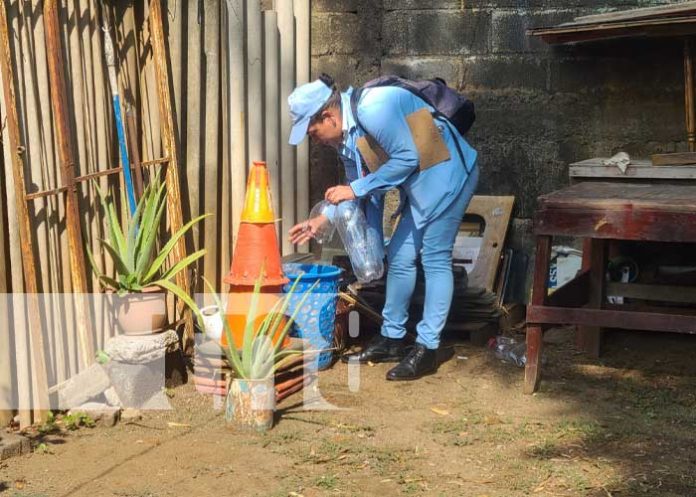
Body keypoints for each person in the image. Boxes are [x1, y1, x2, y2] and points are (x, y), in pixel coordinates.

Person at [287, 74, 479, 381]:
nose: (315, 140)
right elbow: (359, 190)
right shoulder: (347, 140)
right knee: (401, 258)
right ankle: (392, 338)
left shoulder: (375, 108)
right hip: (421, 185)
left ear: (329, 116)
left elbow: (407, 157)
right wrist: (323, 219)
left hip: (448, 175)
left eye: (313, 132)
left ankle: (428, 347)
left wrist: (355, 189)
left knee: (434, 258)